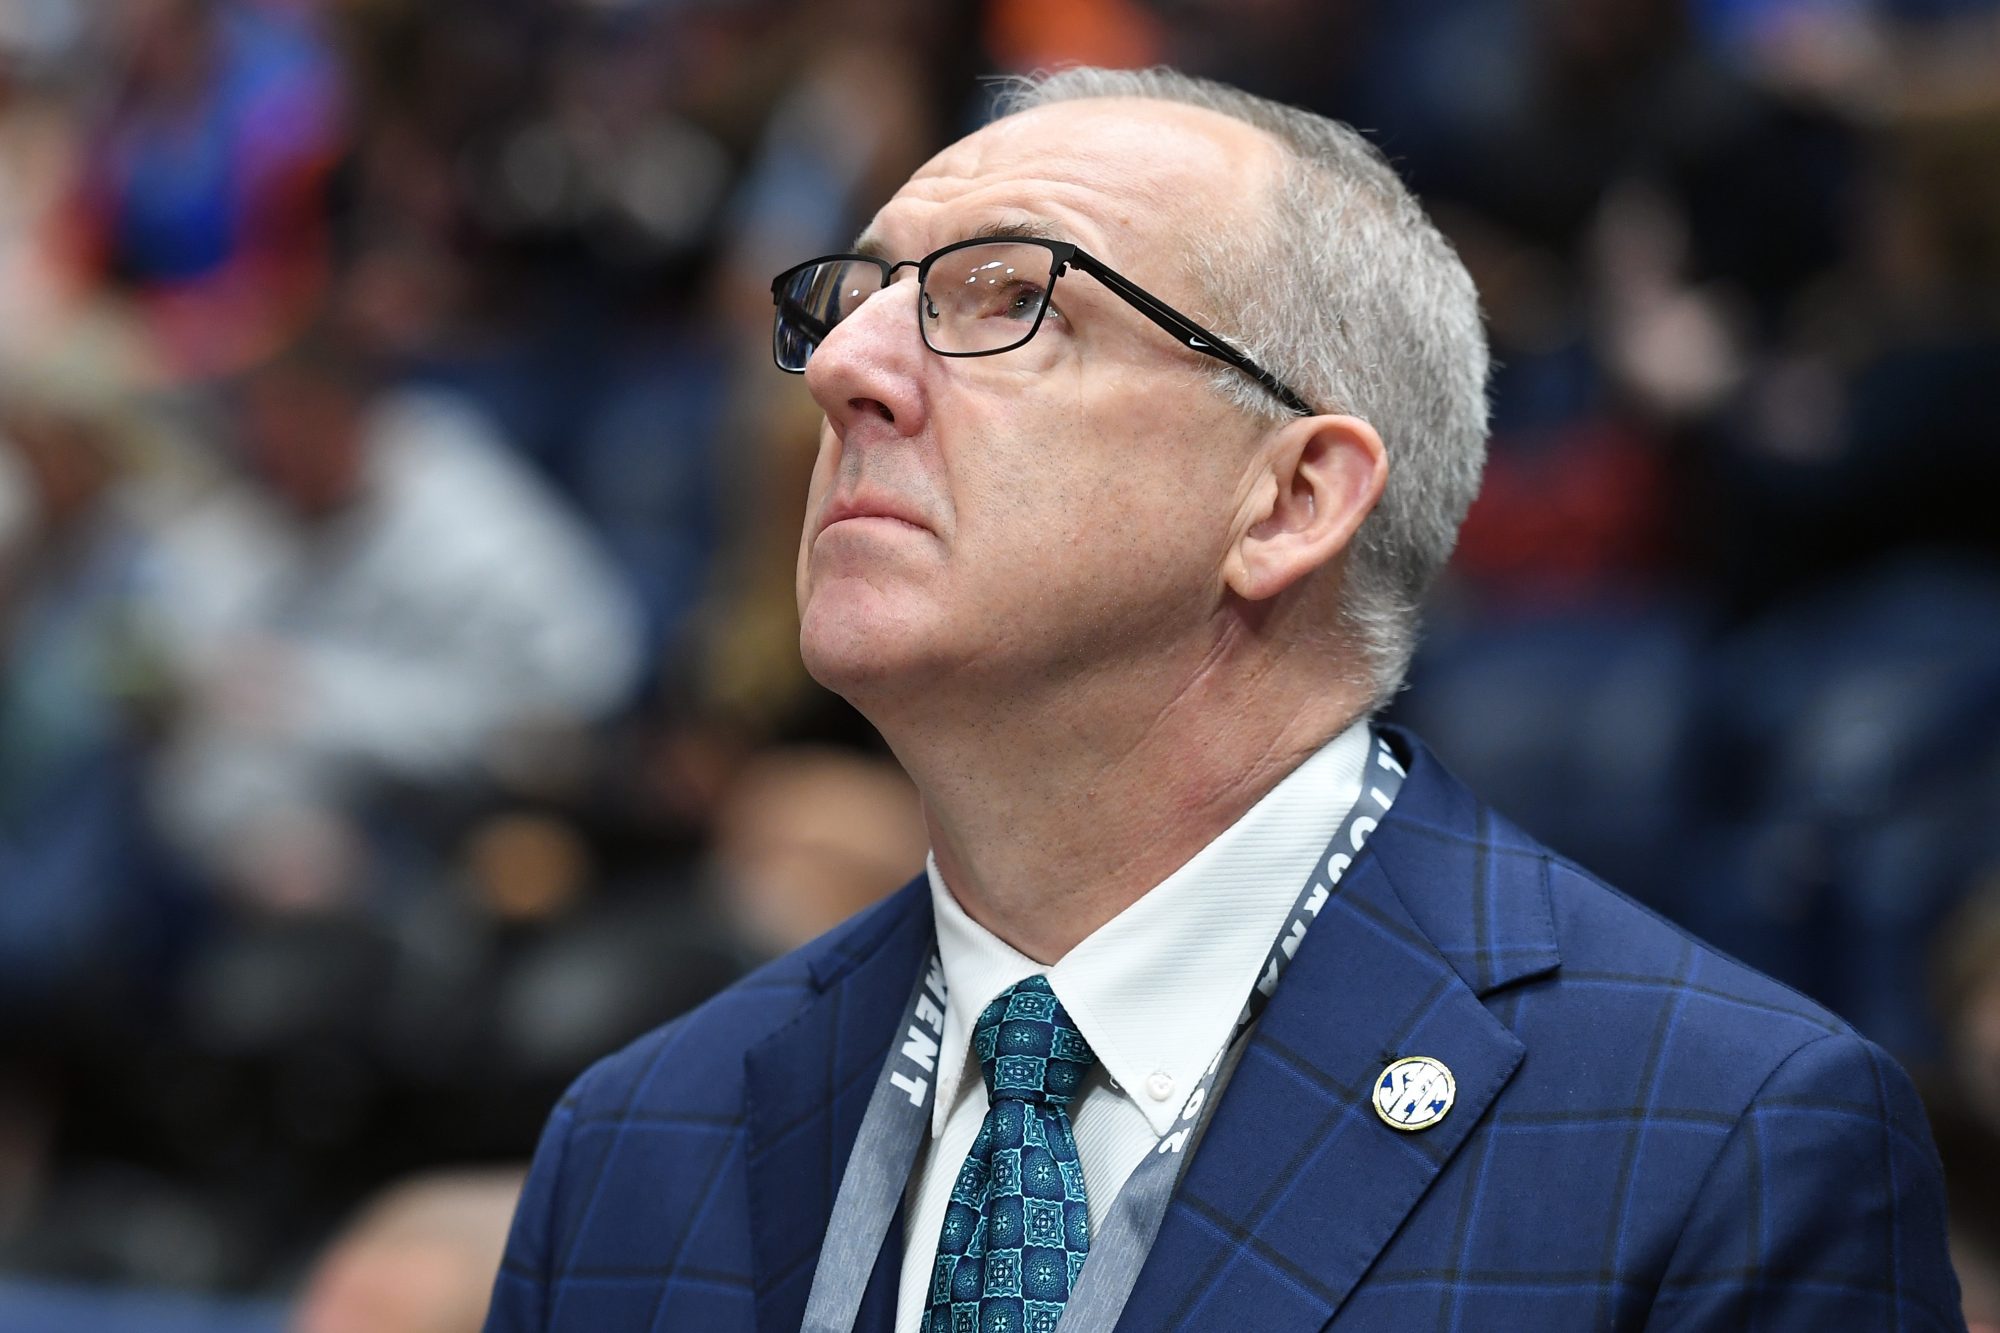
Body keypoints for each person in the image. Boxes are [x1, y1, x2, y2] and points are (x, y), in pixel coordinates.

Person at [486, 67, 1961, 1331]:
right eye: (851, 299)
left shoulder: (1733, 1142)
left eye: (1006, 298)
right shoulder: (632, 1138)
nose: (847, 369)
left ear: (1292, 498)